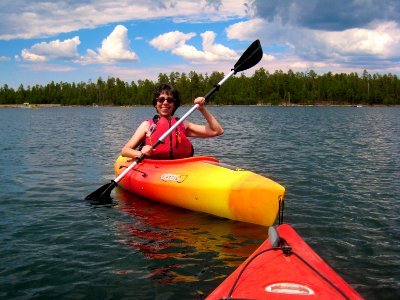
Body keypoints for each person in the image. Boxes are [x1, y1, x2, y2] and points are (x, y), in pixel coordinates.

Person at [121, 83, 224, 159]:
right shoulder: (146, 125)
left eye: (169, 100)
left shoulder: (182, 124)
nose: (165, 103)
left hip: (178, 166)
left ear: (174, 104)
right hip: (153, 166)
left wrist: (202, 108)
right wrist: (141, 153)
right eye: (161, 100)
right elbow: (125, 151)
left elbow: (217, 131)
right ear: (155, 103)